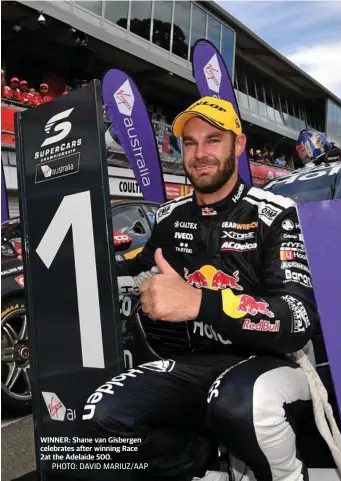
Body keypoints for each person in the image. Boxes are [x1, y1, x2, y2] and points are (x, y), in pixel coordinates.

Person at [85, 97, 318, 481]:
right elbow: (135, 271)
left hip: (266, 364)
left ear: (238, 146)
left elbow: (298, 319)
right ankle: (197, 456)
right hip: (190, 367)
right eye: (190, 143)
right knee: (102, 420)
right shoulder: (167, 217)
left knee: (242, 405)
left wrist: (200, 303)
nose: (199, 153)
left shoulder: (274, 212)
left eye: (213, 140)